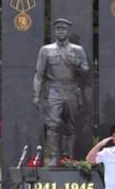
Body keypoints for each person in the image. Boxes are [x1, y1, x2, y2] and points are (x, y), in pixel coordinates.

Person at [33, 18, 90, 165]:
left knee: (70, 127)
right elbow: (39, 75)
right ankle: (52, 157)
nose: (60, 31)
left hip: (72, 90)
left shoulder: (78, 50)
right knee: (53, 125)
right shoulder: (46, 50)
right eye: (58, 29)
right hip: (54, 90)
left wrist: (76, 62)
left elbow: (85, 72)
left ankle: (68, 158)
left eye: (63, 29)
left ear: (68, 31)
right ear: (54, 31)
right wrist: (36, 95)